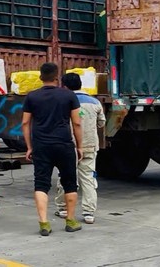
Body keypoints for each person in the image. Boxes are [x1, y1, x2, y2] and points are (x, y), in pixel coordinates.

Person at [22, 62, 83, 236]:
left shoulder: (32, 97)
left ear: (41, 77)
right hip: (64, 144)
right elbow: (77, 122)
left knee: (41, 183)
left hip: (41, 146)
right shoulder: (69, 95)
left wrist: (29, 146)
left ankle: (44, 224)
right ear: (57, 77)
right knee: (70, 183)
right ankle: (70, 221)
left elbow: (25, 122)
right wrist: (79, 146)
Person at [54, 73, 106, 224]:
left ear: (65, 86)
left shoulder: (63, 101)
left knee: (65, 176)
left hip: (68, 145)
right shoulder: (95, 101)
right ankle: (89, 213)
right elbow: (101, 123)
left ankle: (63, 208)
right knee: (88, 179)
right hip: (89, 145)